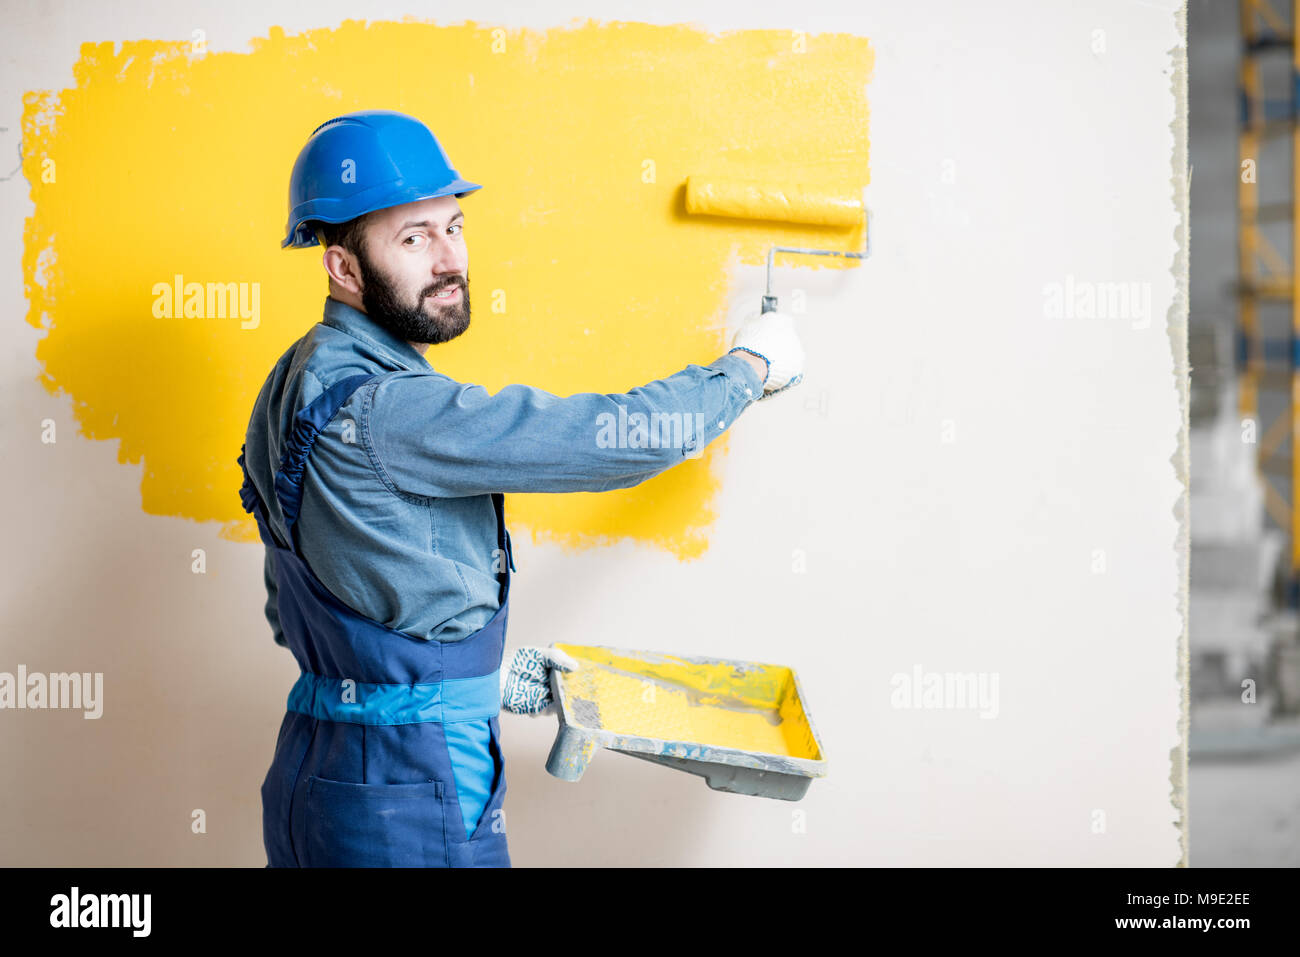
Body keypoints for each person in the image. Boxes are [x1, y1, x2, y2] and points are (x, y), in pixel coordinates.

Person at [237, 109, 805, 868]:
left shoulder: (294, 380)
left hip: (319, 768)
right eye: (413, 238)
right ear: (342, 267)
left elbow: (303, 601)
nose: (449, 259)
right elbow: (617, 437)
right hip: (410, 783)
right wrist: (749, 368)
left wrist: (472, 673)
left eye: (454, 226)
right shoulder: (393, 408)